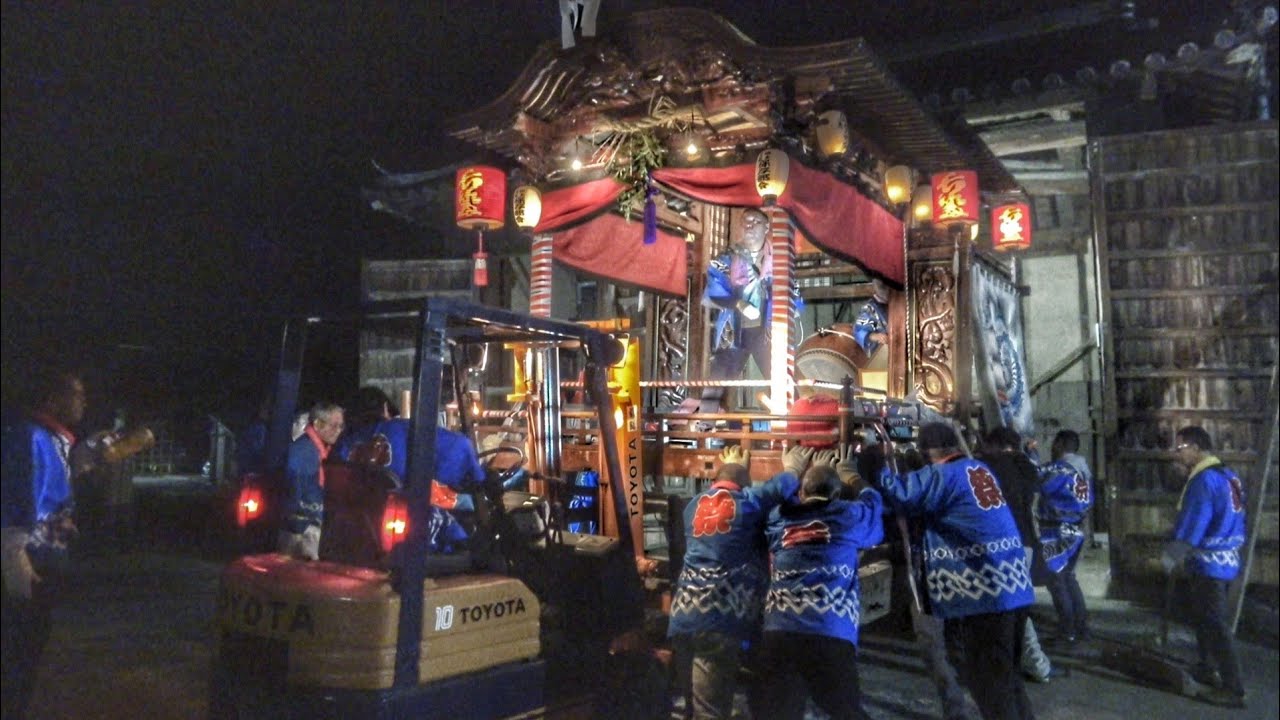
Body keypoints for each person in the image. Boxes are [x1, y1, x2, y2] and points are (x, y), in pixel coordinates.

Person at [876, 422, 1036, 720]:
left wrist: (873, 465)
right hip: (1012, 586)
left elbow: (899, 493)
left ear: (927, 452)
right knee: (1008, 679)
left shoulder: (944, 475)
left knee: (989, 684)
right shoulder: (976, 468)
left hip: (988, 594)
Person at [667, 444, 806, 720]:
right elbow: (784, 484)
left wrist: (735, 469)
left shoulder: (692, 506)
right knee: (710, 712)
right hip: (717, 619)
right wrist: (794, 466)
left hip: (682, 617)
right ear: (744, 484)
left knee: (692, 707)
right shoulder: (749, 502)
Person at [749, 445, 885, 720]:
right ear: (837, 494)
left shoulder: (778, 518)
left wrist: (792, 470)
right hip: (831, 630)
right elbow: (874, 505)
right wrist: (851, 476)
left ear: (801, 492)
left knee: (777, 712)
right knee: (846, 711)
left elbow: (766, 501)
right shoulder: (848, 516)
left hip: (779, 630)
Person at [2, 369, 87, 720]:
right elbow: (16, 499)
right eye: (76, 394)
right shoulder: (31, 437)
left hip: (43, 561)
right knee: (17, 654)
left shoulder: (52, 440)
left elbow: (48, 500)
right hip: (30, 564)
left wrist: (61, 524)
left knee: (27, 652)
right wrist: (15, 558)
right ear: (53, 399)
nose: (83, 402)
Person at [336, 386, 481, 552]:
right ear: (385, 408)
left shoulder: (342, 443)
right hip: (400, 520)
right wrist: (479, 478)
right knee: (459, 536)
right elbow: (460, 446)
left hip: (355, 524)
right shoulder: (399, 429)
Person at [1161, 425, 1246, 709]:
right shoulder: (1229, 475)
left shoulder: (1203, 480)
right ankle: (1207, 666)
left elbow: (1193, 525)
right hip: (1227, 557)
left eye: (1180, 448)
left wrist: (1171, 557)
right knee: (1204, 618)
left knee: (1215, 623)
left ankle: (1234, 688)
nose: (1177, 454)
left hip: (1209, 562)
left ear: (1196, 448)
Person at [699, 208, 801, 413]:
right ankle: (705, 425)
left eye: (756, 222)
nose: (750, 226)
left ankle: (797, 423)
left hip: (769, 332)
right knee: (716, 381)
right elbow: (714, 290)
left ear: (767, 227)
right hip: (734, 329)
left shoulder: (780, 260)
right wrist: (739, 304)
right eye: (746, 221)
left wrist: (790, 310)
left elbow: (793, 292)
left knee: (785, 381)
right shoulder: (726, 258)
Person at [978, 427, 1057, 683]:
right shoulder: (1029, 467)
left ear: (995, 444)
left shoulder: (989, 467)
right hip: (1026, 543)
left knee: (1008, 607)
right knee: (1015, 603)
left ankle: (1031, 664)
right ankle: (1026, 662)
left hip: (1001, 544)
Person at [1037, 430, 1094, 647]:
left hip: (1056, 532)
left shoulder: (1058, 469)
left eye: (1054, 442)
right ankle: (1081, 627)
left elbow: (1036, 478)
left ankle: (1067, 631)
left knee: (1056, 581)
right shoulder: (1083, 470)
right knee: (1068, 577)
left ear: (1060, 444)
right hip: (1076, 530)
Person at [278, 401, 344, 561]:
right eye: (334, 425)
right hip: (302, 531)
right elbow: (293, 489)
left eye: (341, 426)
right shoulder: (303, 451)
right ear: (317, 424)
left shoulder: (319, 450)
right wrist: (300, 524)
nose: (338, 431)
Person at [853, 277, 890, 357]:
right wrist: (876, 336)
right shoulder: (870, 309)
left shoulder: (901, 304)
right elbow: (859, 330)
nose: (886, 289)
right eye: (882, 286)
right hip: (881, 354)